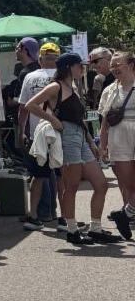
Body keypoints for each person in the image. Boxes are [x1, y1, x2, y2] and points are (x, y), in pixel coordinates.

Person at [25, 53, 122, 245]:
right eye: (80, 66)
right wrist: (53, 120)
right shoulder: (56, 86)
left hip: (79, 135)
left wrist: (91, 142)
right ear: (69, 66)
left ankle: (95, 228)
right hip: (67, 135)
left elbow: (80, 119)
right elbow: (31, 105)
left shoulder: (73, 87)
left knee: (100, 183)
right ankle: (71, 229)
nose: (83, 69)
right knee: (72, 185)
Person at [16, 42, 61, 230]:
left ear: (40, 59)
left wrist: (21, 131)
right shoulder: (63, 78)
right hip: (60, 133)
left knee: (38, 175)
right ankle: (64, 216)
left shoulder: (30, 77)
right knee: (61, 176)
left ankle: (34, 215)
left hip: (38, 133)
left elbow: (23, 108)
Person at [99, 52, 135, 239]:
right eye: (111, 65)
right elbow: (104, 122)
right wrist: (102, 146)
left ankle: (126, 214)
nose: (114, 69)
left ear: (130, 64)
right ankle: (127, 216)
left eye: (117, 64)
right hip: (118, 137)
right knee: (128, 184)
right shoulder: (109, 90)